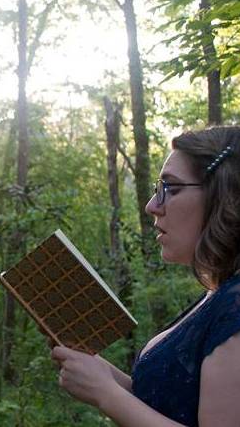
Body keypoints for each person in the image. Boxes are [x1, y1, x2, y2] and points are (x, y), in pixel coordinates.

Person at [51, 126, 240, 426]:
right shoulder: (217, 296)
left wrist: (105, 394)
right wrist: (101, 374)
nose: (152, 206)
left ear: (224, 196)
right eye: (156, 190)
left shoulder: (235, 309)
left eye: (171, 188)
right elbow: (167, 403)